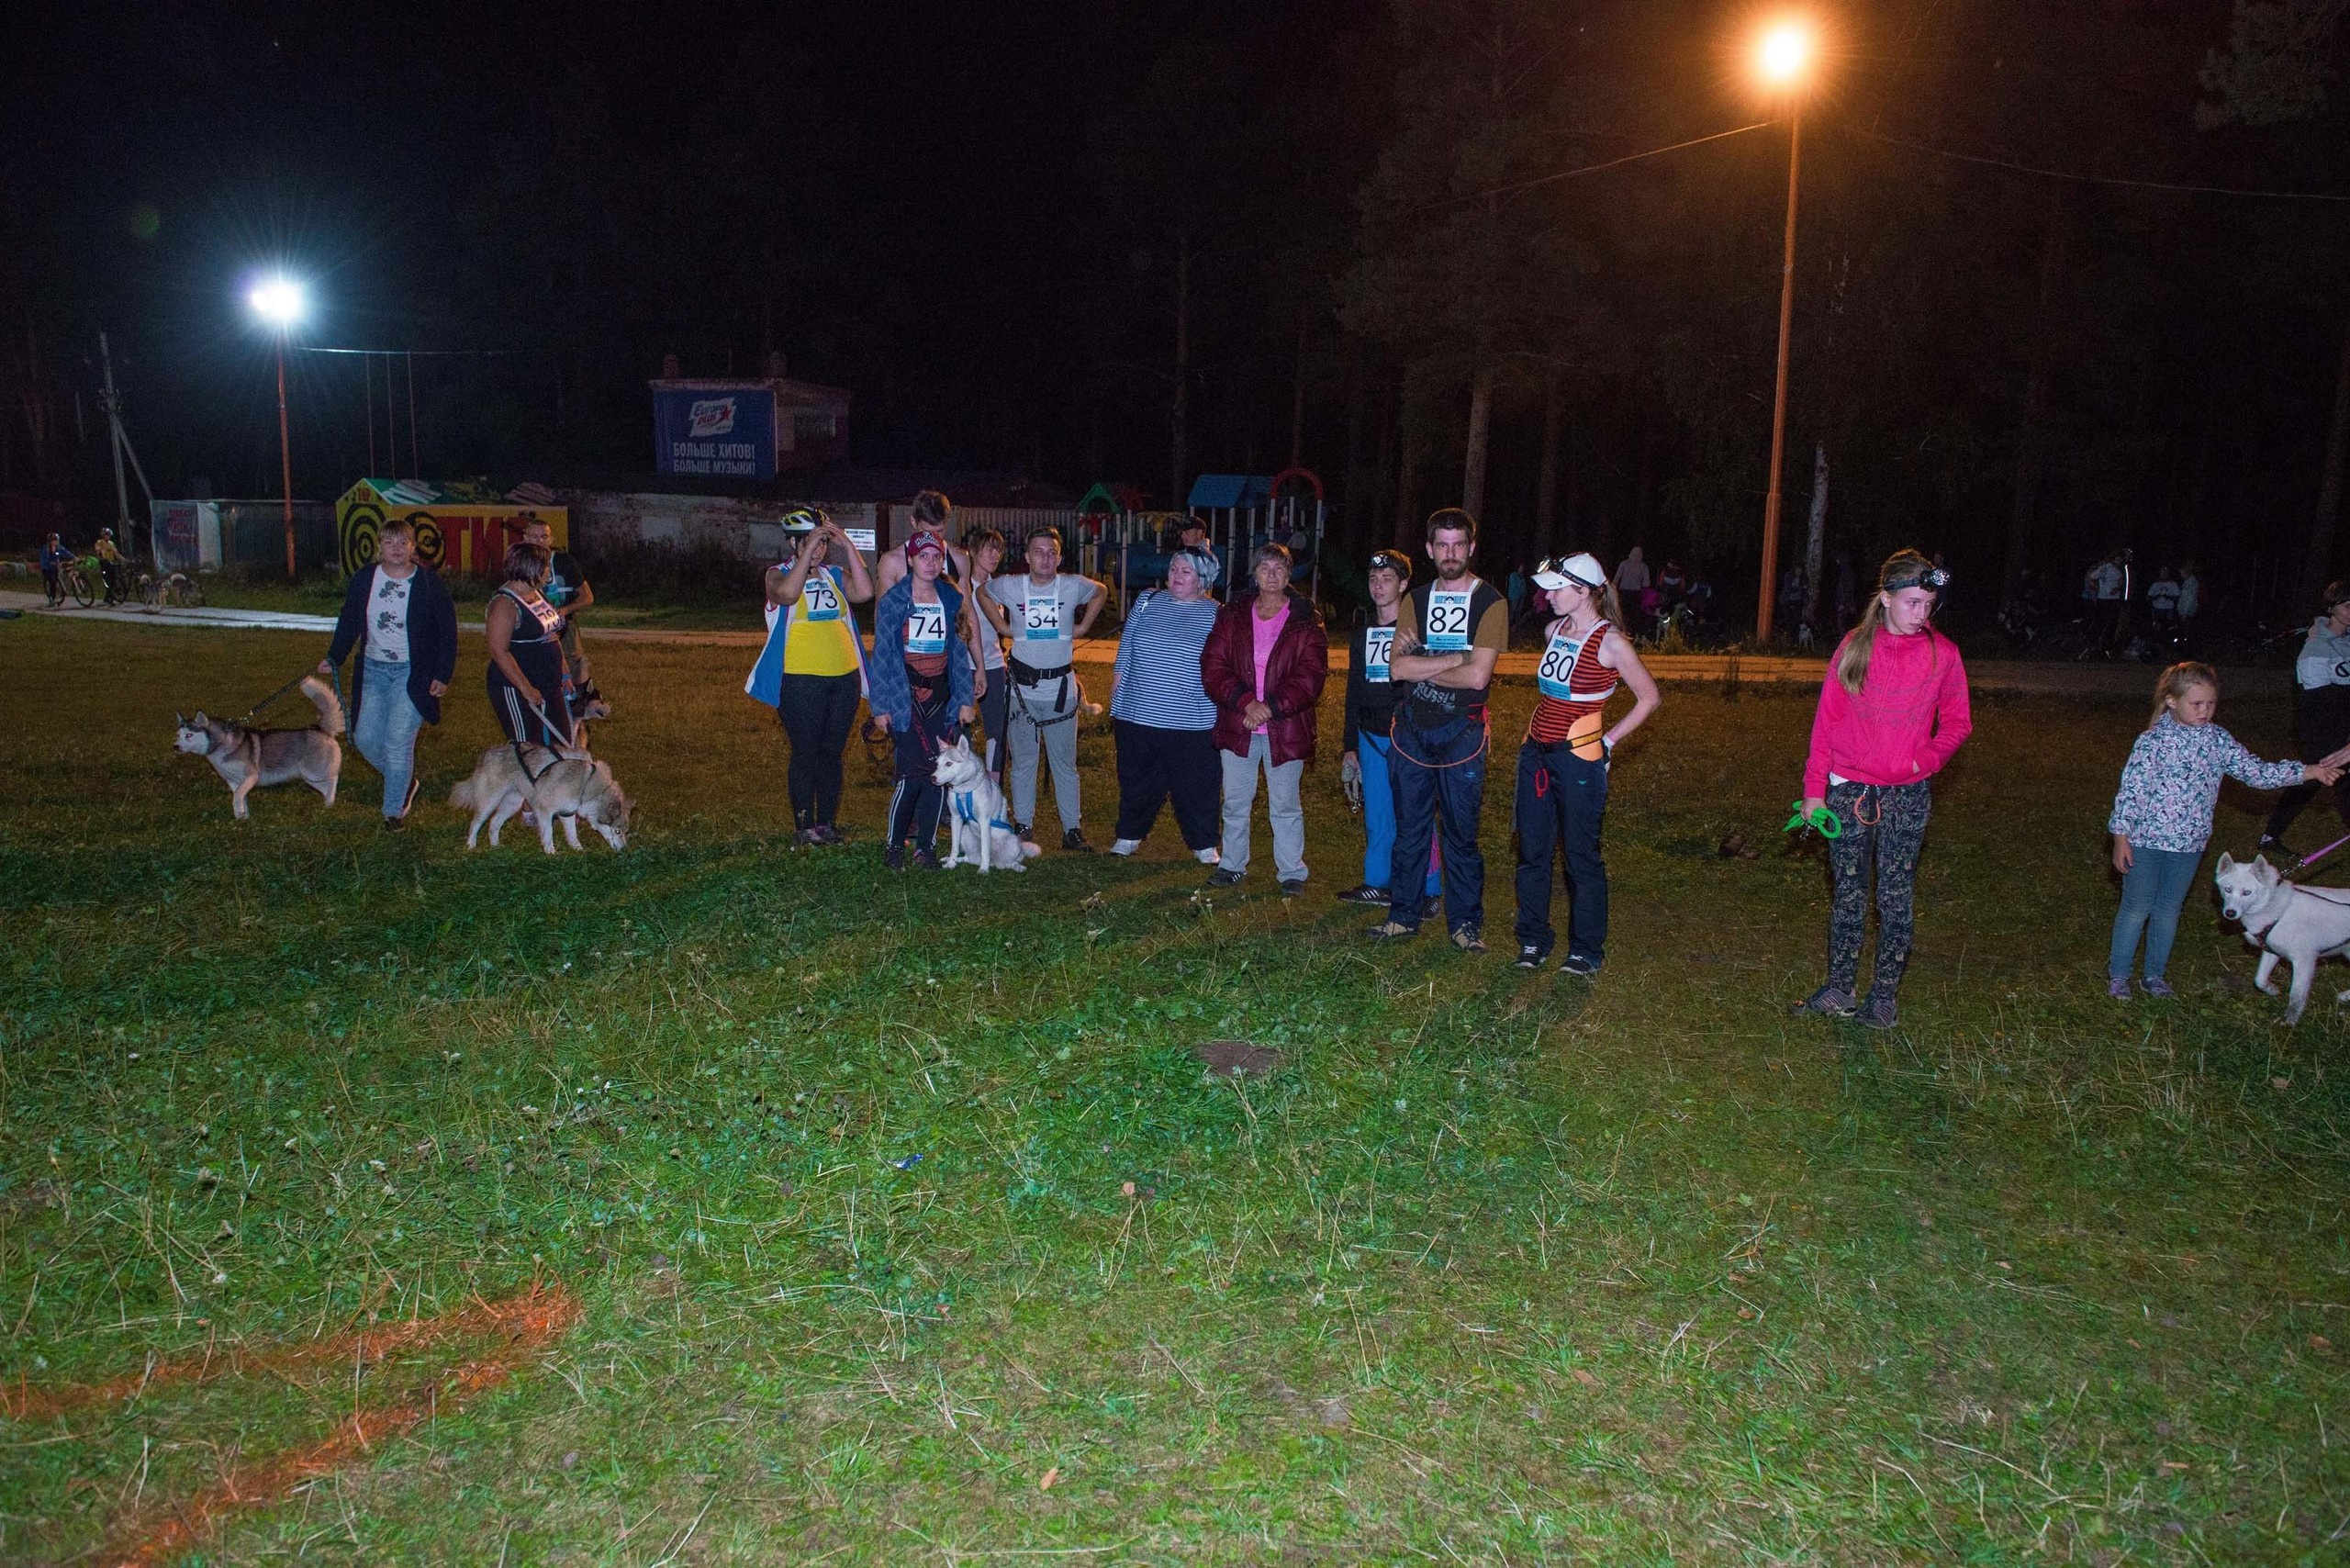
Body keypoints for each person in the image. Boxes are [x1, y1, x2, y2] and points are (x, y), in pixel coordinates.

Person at [1789, 549, 1974, 1029]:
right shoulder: (1855, 646)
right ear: (1887, 598)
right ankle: (1839, 989)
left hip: (1907, 796)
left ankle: (1884, 995)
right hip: (1848, 791)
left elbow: (1957, 723)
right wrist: (1814, 791)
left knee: (1894, 895)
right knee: (1848, 893)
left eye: (1929, 604)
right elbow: (1826, 723)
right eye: (1913, 602)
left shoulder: (1943, 653)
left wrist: (1925, 760)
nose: (1922, 613)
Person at [2108, 663, 2342, 999]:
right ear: (2172, 702)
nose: (2205, 711)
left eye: (2211, 704)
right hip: (2145, 842)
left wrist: (2309, 772)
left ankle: (2154, 976)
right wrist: (2121, 836)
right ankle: (2119, 975)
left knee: (2168, 910)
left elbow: (2257, 773)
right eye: (2196, 704)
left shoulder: (2217, 740)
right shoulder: (2152, 742)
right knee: (2136, 908)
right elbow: (2131, 791)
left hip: (2189, 845)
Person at [1367, 508, 1510, 951]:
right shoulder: (1418, 600)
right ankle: (1403, 917)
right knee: (1410, 831)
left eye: (1458, 544)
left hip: (1463, 735)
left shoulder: (1492, 603)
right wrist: (1456, 658)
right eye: (1442, 545)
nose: (1450, 553)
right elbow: (1396, 669)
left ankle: (1465, 925)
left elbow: (1478, 678)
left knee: (1460, 835)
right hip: (1412, 733)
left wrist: (1423, 665)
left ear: (1471, 547)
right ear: (1429, 549)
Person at [1512, 553, 1662, 975]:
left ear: (1584, 592)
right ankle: (1533, 939)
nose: (1548, 595)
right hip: (1536, 753)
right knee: (1533, 853)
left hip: (1578, 759)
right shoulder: (1552, 629)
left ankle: (1585, 949)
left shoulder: (1611, 642)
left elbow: (1649, 696)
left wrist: (1609, 742)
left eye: (1557, 588)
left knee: (1581, 857)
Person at [1203, 543, 1329, 894]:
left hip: (1284, 728)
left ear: (1289, 576)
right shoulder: (1232, 614)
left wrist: (1270, 707)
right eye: (1264, 567)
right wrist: (1245, 702)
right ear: (1254, 574)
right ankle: (1231, 864)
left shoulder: (1305, 618)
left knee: (1285, 804)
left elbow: (1311, 676)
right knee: (1235, 801)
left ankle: (1291, 871)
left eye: (1279, 568)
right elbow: (1213, 667)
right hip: (1239, 725)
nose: (1271, 574)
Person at [745, 513, 876, 846]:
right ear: (793, 542)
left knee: (832, 753)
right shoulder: (777, 574)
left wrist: (844, 542)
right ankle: (803, 827)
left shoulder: (834, 575)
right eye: (811, 543)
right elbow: (787, 595)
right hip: (799, 680)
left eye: (822, 543)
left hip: (843, 677)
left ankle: (827, 823)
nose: (818, 550)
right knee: (806, 752)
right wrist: (804, 558)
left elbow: (864, 591)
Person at [319, 517, 456, 830]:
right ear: (379, 546)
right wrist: (334, 656)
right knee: (363, 738)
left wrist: (442, 673)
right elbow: (350, 618)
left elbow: (447, 630)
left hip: (413, 673)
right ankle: (404, 781)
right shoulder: (366, 578)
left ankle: (393, 811)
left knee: (397, 743)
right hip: (373, 669)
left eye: (403, 543)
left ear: (412, 546)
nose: (396, 549)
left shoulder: (427, 582)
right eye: (389, 542)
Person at [981, 528, 1105, 851]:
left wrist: (1084, 626)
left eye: (1051, 552)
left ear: (1060, 557)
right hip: (1022, 694)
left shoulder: (1072, 585)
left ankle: (1072, 829)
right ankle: (1023, 824)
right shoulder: (1011, 585)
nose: (1046, 558)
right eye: (1039, 551)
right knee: (1024, 762)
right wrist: (1001, 625)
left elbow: (1101, 591)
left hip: (1060, 693)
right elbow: (982, 592)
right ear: (1027, 557)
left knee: (1065, 763)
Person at [1337, 548, 1441, 911]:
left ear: (1403, 584)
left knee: (1415, 815)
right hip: (1370, 737)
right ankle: (1378, 883)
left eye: (1386, 579)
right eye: (1373, 579)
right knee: (1378, 815)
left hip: (1409, 738)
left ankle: (1429, 890)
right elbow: (1354, 688)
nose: (1378, 586)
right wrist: (1350, 745)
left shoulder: (1417, 633)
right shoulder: (1362, 632)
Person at [1107, 544, 1224, 862]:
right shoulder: (1147, 601)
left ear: (1203, 579)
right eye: (1173, 569)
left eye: (1186, 571)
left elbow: (1223, 664)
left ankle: (1204, 844)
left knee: (1196, 786)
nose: (1176, 576)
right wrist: (1118, 680)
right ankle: (1128, 836)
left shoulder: (1217, 614)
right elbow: (1127, 645)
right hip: (1138, 714)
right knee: (1136, 780)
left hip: (1191, 721)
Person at [868, 533, 976, 870]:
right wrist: (880, 707)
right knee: (911, 776)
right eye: (923, 556)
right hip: (905, 702)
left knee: (937, 776)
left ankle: (926, 847)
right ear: (910, 561)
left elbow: (959, 654)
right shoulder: (893, 601)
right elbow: (882, 656)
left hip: (941, 702)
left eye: (936, 557)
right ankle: (894, 847)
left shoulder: (951, 599)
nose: (930, 563)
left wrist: (965, 699)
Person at [2260, 581, 2350, 855]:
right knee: (2326, 779)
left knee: (2321, 782)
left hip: (2344, 730)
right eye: (2347, 606)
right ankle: (2269, 836)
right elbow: (2318, 705)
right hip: (2323, 730)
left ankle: (2269, 836)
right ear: (2331, 608)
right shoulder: (2315, 649)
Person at [485, 542, 572, 748]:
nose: (549, 571)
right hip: (517, 686)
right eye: (546, 566)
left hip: (550, 682)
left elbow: (551, 636)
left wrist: (565, 673)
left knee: (562, 743)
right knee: (529, 748)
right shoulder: (505, 603)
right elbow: (499, 651)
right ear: (531, 567)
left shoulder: (535, 593)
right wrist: (526, 688)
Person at [523, 517, 597, 703]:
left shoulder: (563, 562)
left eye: (544, 537)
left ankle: (575, 722)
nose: (539, 541)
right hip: (532, 632)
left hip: (565, 632)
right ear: (525, 538)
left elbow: (587, 598)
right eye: (534, 536)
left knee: (574, 679)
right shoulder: (520, 564)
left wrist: (564, 611)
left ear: (551, 539)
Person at [964, 529, 1011, 779]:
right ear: (972, 551)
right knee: (962, 728)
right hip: (965, 667)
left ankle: (993, 785)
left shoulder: (998, 588)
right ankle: (965, 782)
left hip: (994, 665)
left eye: (998, 549)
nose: (995, 555)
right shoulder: (962, 586)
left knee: (998, 730)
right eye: (989, 548)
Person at [875, 489, 968, 595]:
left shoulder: (959, 559)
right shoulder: (893, 561)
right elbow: (881, 610)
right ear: (913, 522)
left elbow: (967, 608)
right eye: (926, 532)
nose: (933, 538)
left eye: (939, 531)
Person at [95, 528, 125, 604]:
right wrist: (102, 558)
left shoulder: (111, 543)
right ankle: (110, 598)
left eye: (109, 535)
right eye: (106, 535)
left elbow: (116, 554)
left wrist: (124, 560)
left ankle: (107, 597)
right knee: (108, 582)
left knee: (114, 580)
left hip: (111, 564)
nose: (108, 536)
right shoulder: (99, 543)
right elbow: (98, 553)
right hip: (104, 564)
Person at [39, 532, 68, 607]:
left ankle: (61, 590)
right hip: (47, 569)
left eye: (58, 540)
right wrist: (52, 563)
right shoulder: (45, 549)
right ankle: (51, 599)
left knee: (61, 576)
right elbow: (43, 561)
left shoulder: (59, 548)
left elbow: (67, 553)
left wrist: (76, 558)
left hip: (55, 568)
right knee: (52, 582)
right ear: (51, 542)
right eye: (55, 540)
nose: (57, 542)